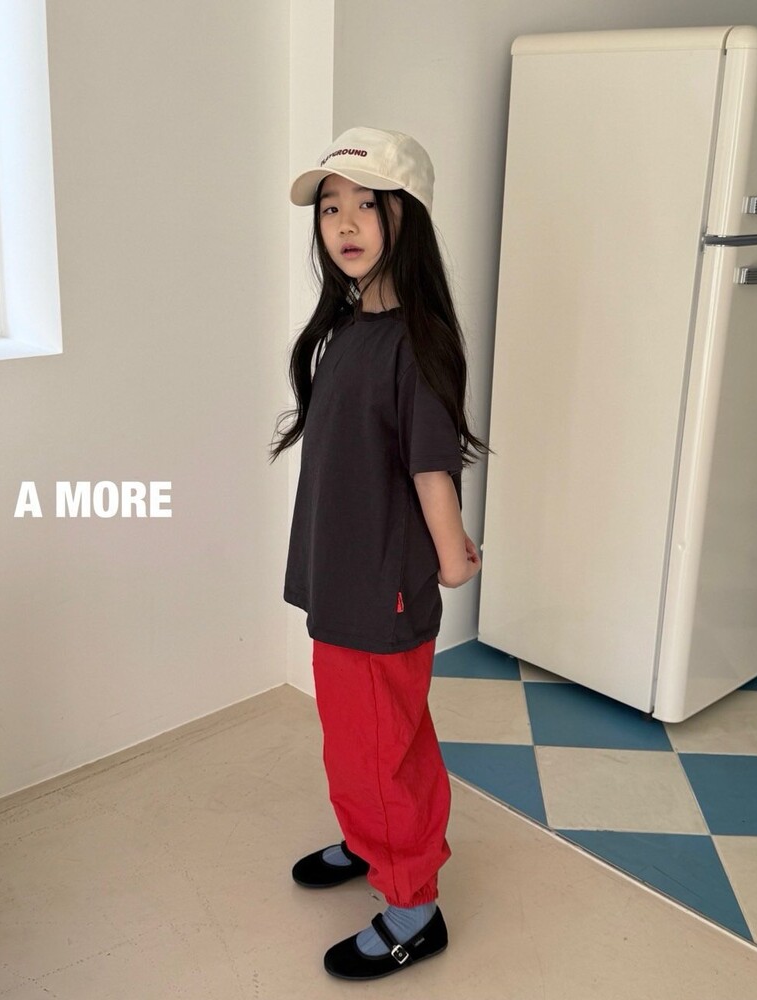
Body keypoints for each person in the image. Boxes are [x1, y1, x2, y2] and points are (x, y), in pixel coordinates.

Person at [271, 126, 486, 981]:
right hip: (344, 578)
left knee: (374, 750)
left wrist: (452, 558)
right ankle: (372, 842)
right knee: (375, 737)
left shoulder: (416, 342)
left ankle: (412, 910)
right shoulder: (349, 327)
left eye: (368, 204)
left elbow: (431, 468)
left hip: (380, 590)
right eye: (331, 208)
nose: (346, 223)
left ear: (410, 219)